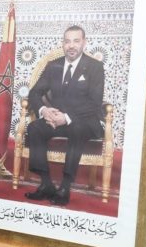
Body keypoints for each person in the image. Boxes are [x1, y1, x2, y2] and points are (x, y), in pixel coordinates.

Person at [24, 25, 105, 206]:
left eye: (76, 41)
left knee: (77, 128)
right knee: (34, 127)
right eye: (67, 41)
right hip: (57, 120)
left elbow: (94, 103)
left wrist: (66, 117)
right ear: (63, 44)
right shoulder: (54, 65)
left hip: (84, 122)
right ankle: (46, 184)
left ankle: (65, 187)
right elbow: (34, 93)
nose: (71, 45)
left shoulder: (95, 67)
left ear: (84, 43)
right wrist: (44, 111)